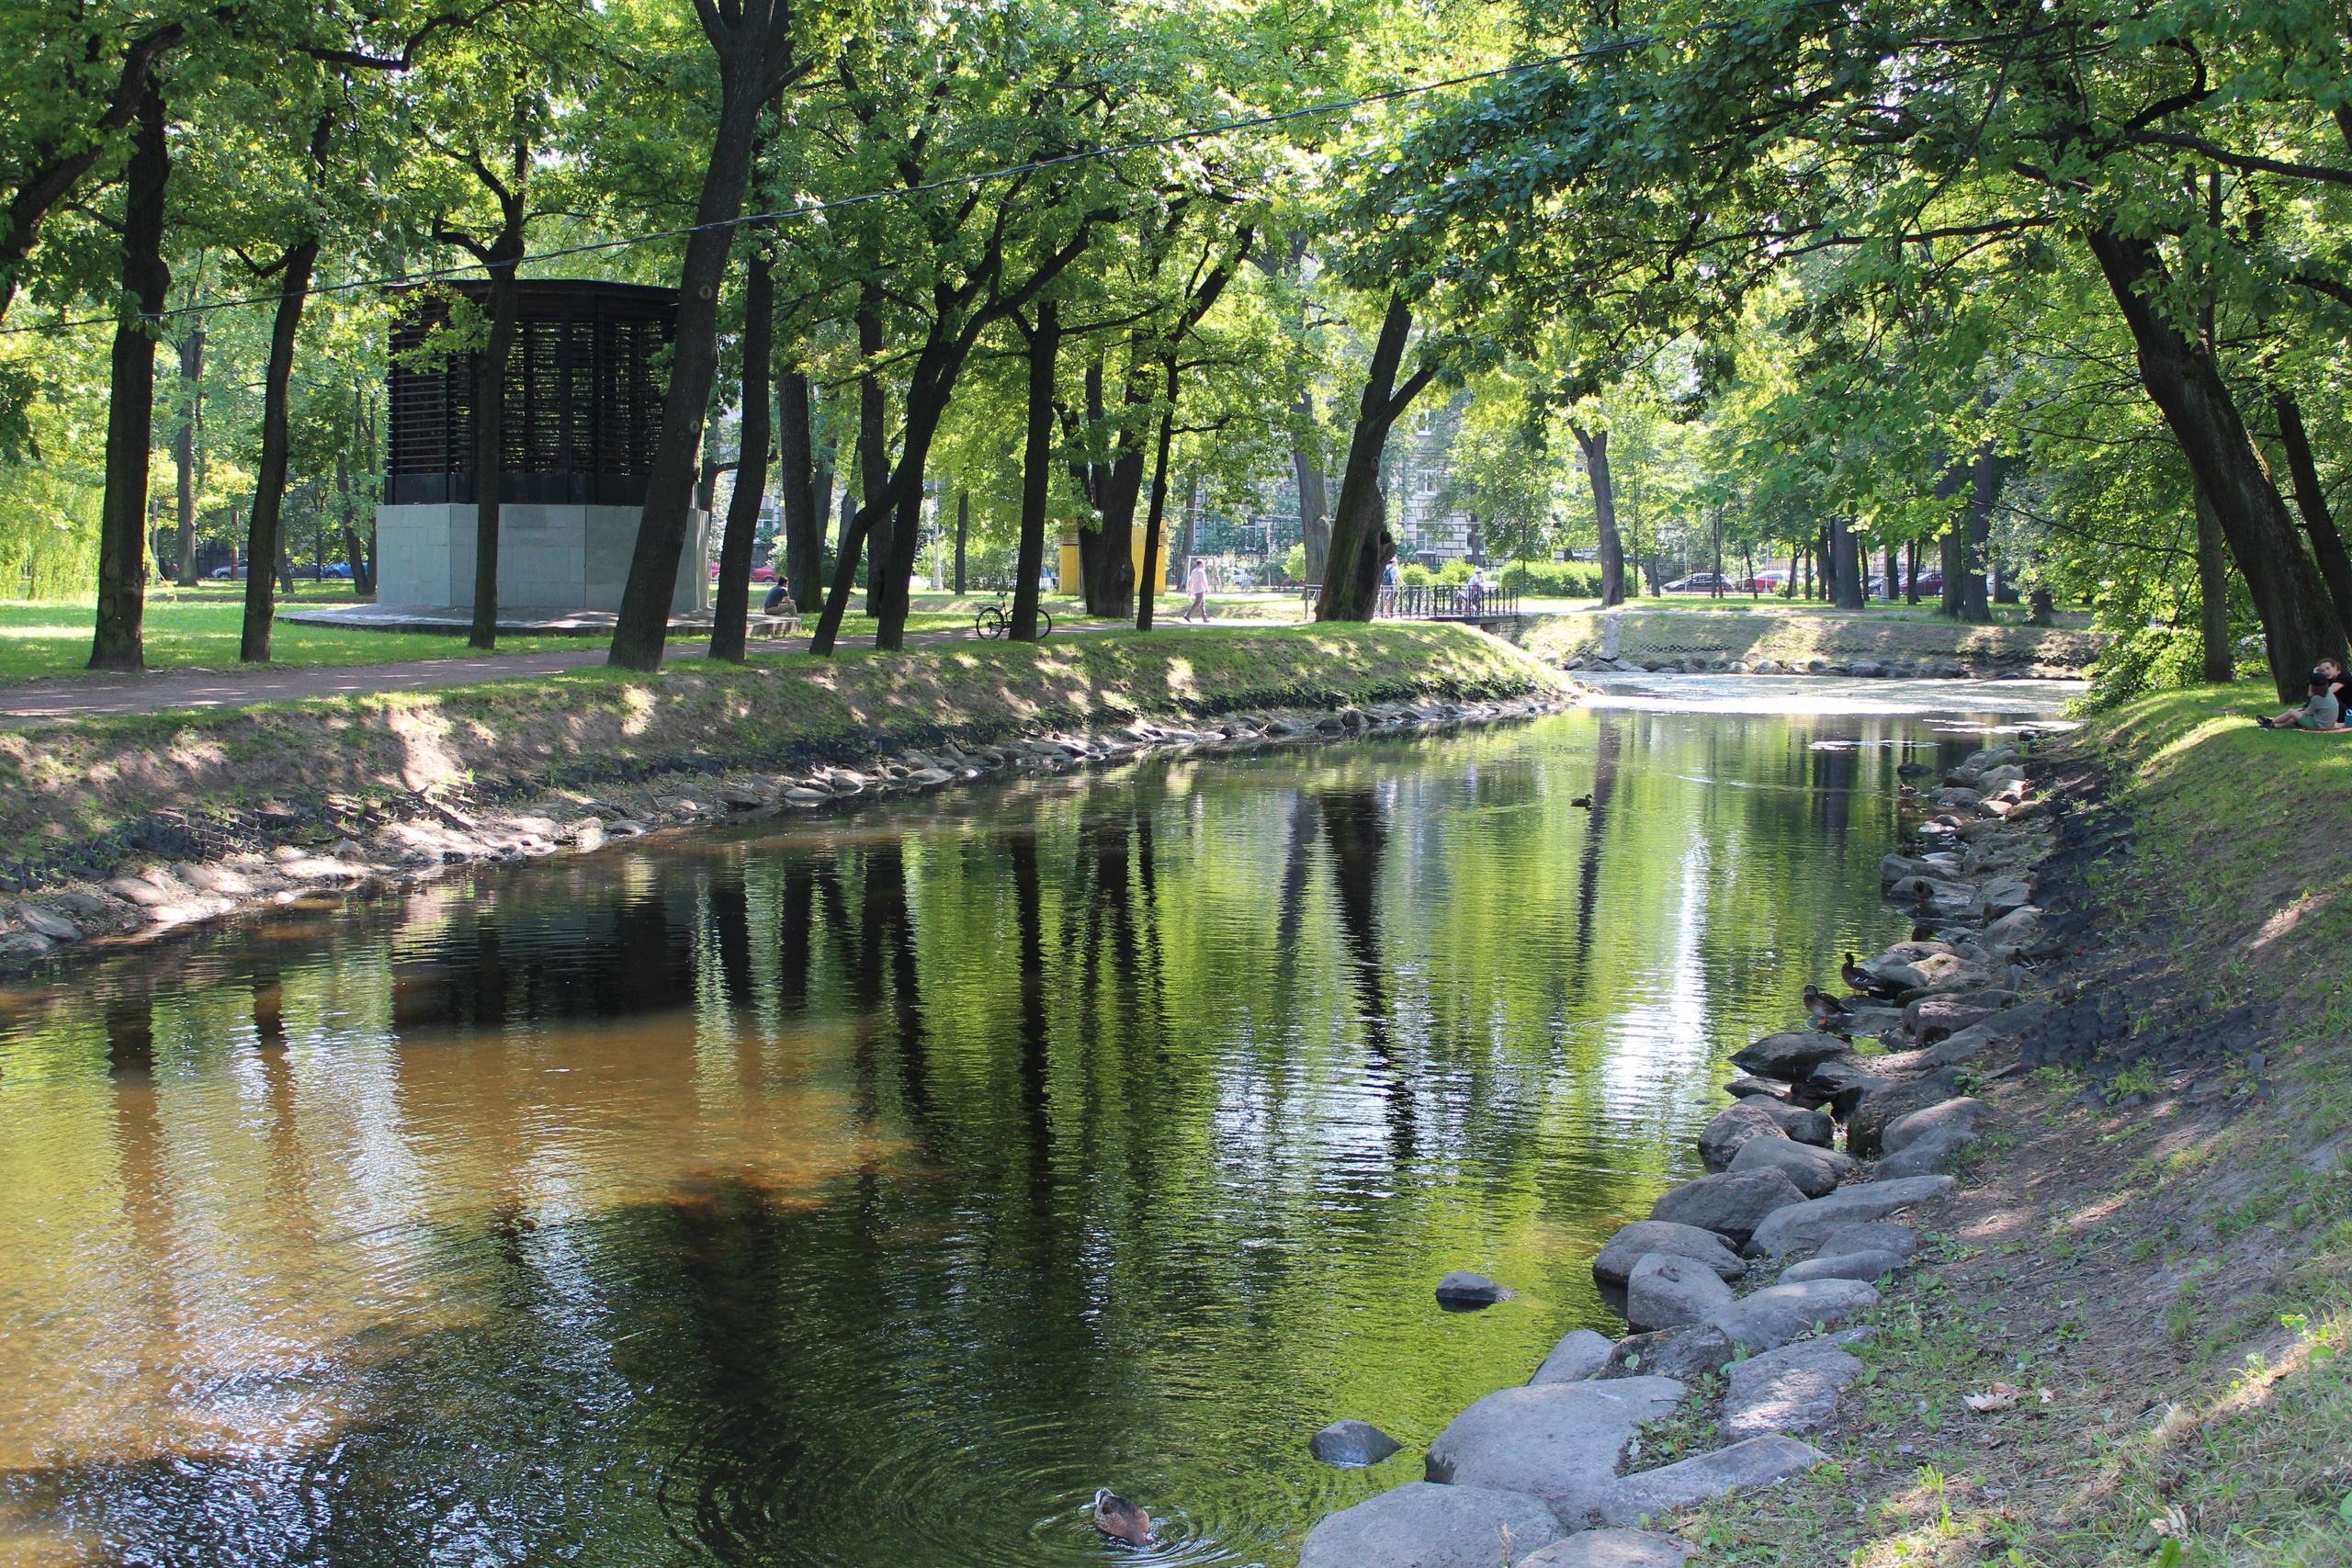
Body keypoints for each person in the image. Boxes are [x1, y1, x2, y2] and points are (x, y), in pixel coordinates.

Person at [2257, 658, 2350, 729]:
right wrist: (2315, 675)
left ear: (2335, 667)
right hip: (2332, 713)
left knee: (2302, 710)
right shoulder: (2328, 681)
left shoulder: (2343, 677)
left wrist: (2315, 679)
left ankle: (2272, 722)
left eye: (2328, 668)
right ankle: (2273, 724)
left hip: (2348, 711)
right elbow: (2314, 695)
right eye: (2322, 671)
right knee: (2300, 712)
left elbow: (2324, 693)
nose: (2326, 672)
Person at [1183, 557, 1211, 622]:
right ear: (1201, 564)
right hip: (1200, 589)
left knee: (1202, 603)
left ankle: (1205, 618)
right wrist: (1207, 589)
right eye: (1203, 564)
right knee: (1198, 603)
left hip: (1196, 590)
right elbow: (1203, 581)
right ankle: (1187, 615)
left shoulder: (1193, 571)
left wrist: (1190, 590)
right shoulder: (1201, 571)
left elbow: (1191, 582)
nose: (1204, 565)